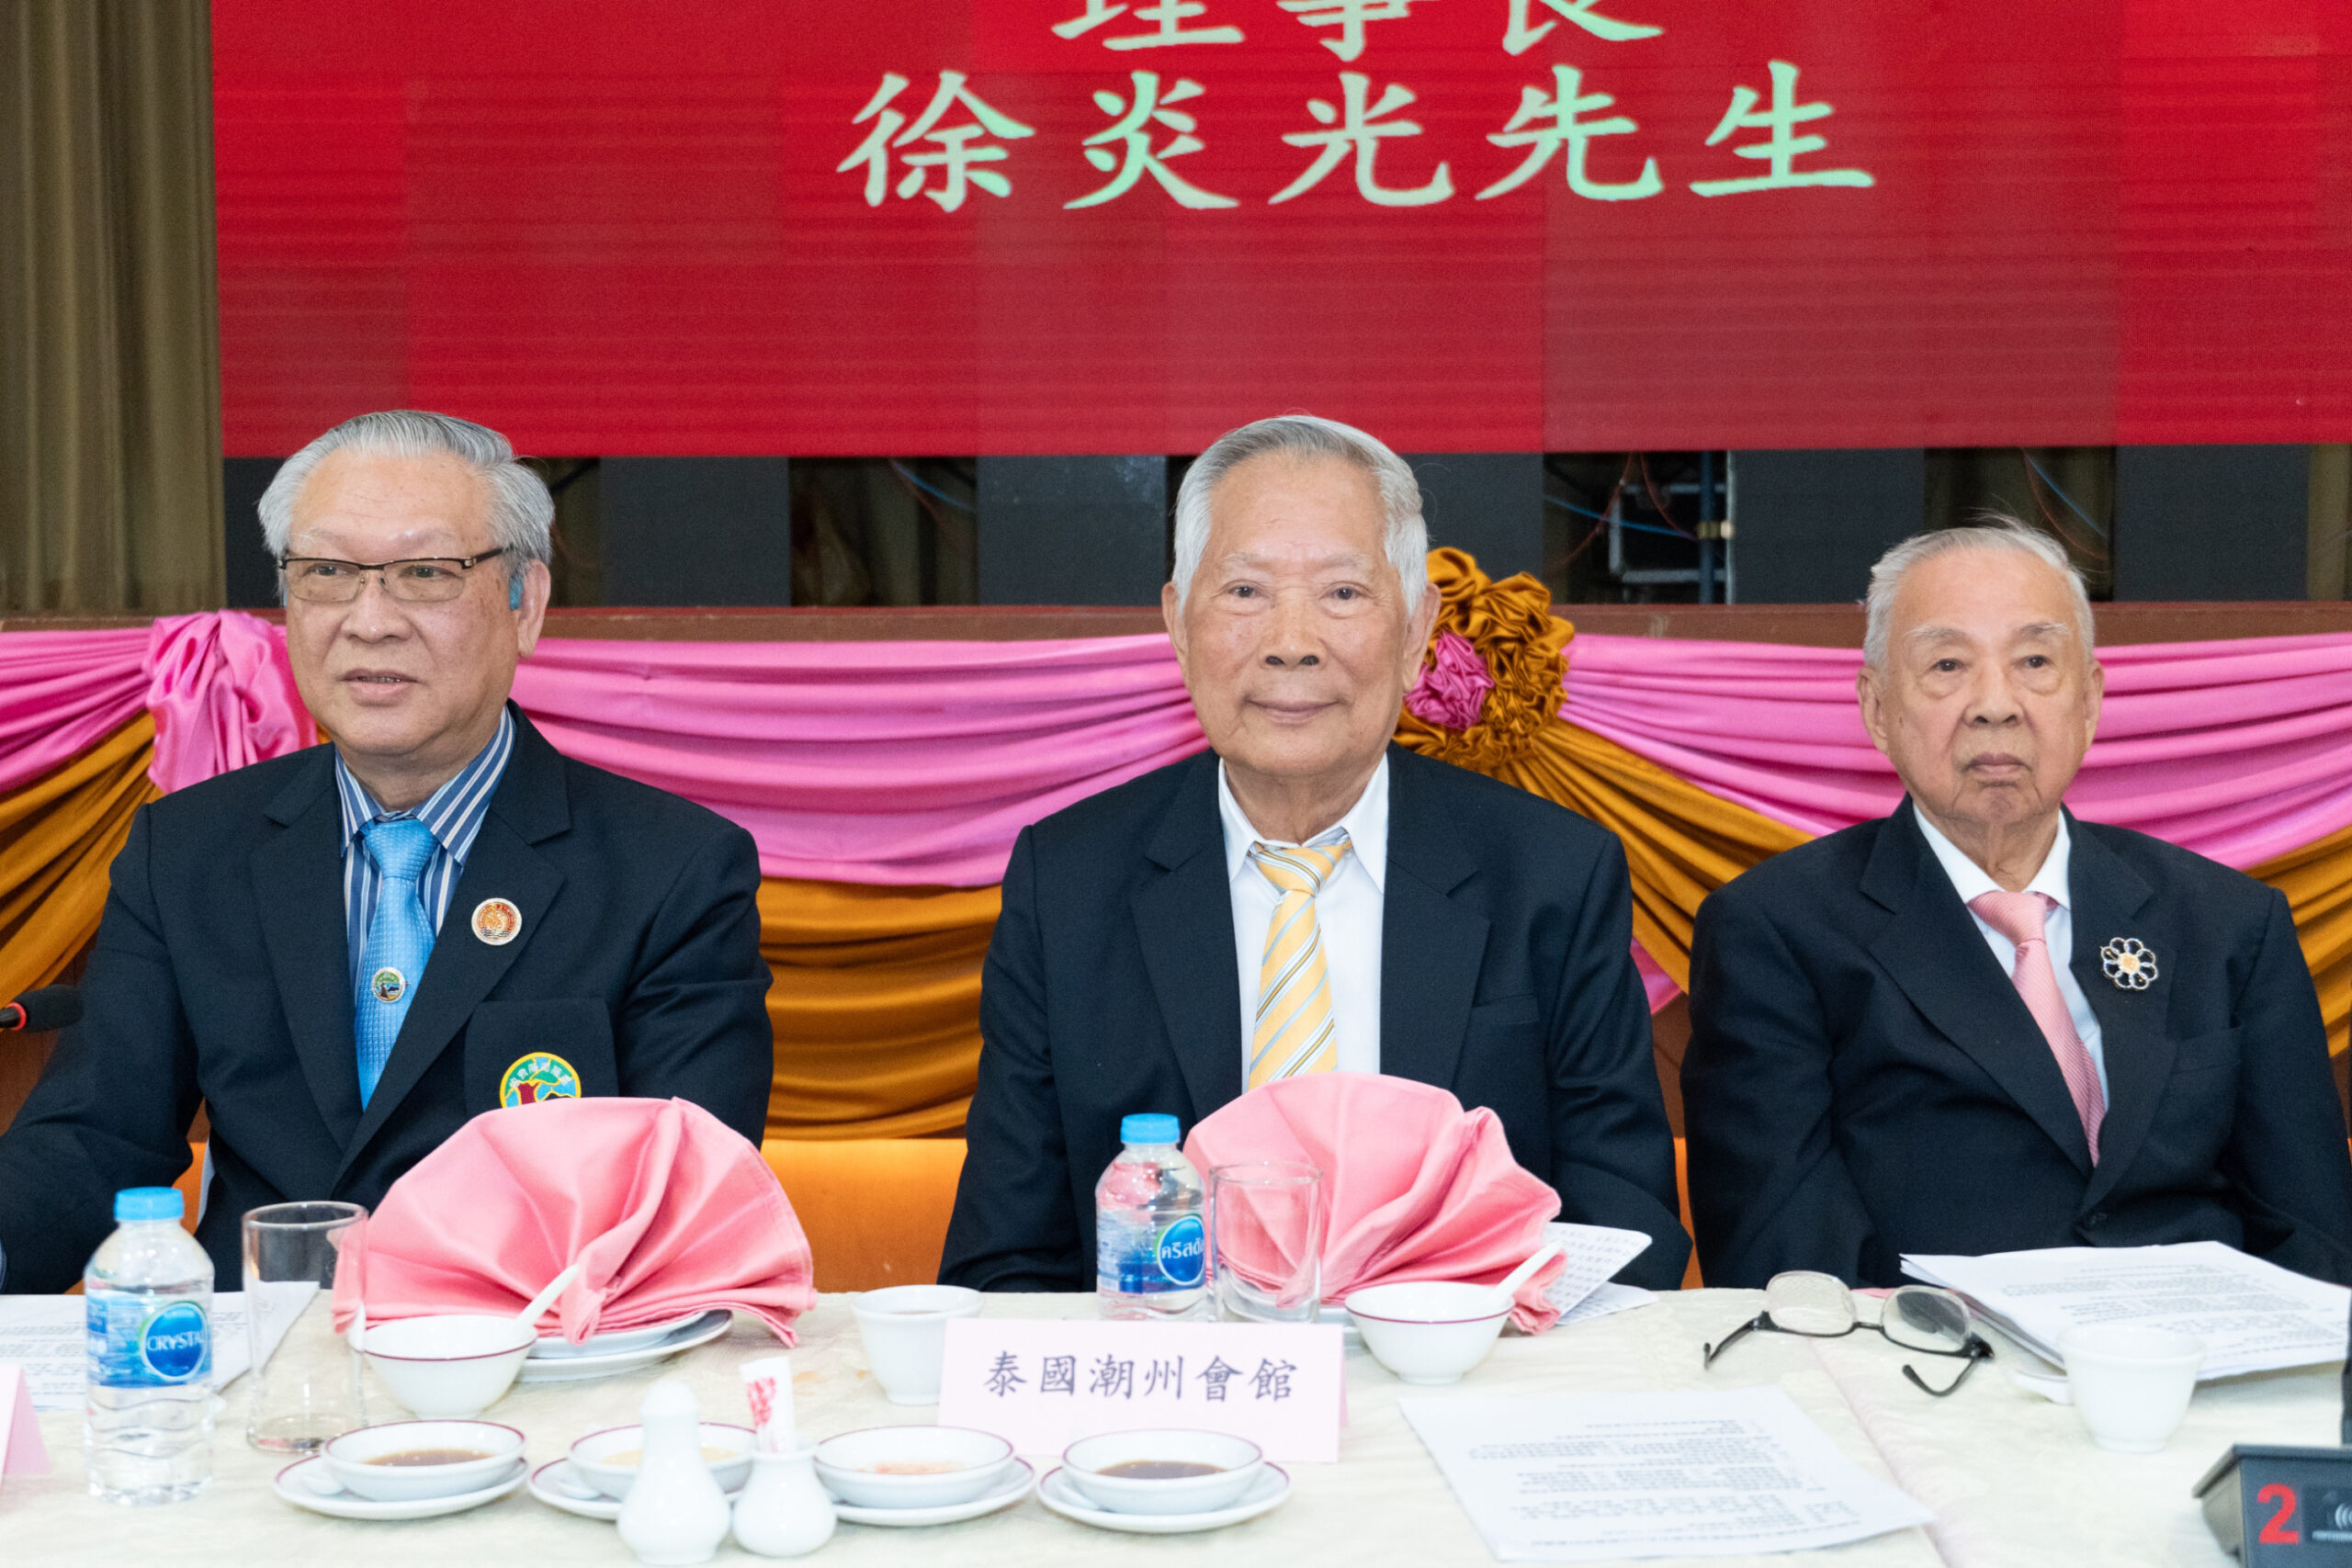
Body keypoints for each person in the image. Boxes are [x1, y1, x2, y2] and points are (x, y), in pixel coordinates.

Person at [0, 411, 774, 1292]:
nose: (370, 622)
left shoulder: (672, 871)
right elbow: (93, 1135)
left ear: (525, 603)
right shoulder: (186, 852)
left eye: (426, 573)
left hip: (529, 1354)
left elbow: (688, 1197)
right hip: (261, 1356)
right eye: (327, 573)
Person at [940, 415, 1688, 1292]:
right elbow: (1003, 1267)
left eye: (1342, 592)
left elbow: (1626, 1239)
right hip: (1174, 1374)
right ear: (1178, 624)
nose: (1291, 641)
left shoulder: (1553, 877)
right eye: (1245, 590)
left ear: (1415, 632)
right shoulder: (1068, 884)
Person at [1683, 520, 2352, 1288]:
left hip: (2199, 1350)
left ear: (2089, 700)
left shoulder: (2229, 922)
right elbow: (1783, 1259)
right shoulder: (1776, 930)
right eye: (1947, 664)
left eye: (2035, 661)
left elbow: (2316, 1239)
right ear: (1877, 708)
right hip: (1928, 1353)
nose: (1995, 704)